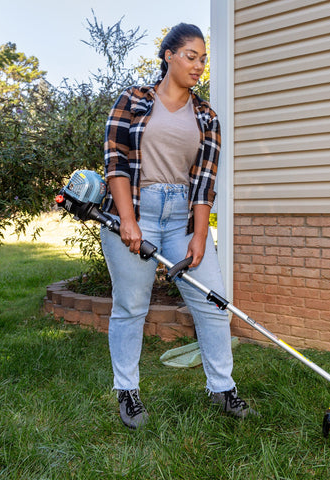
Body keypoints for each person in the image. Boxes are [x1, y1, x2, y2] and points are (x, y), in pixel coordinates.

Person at [100, 23, 257, 429]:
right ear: (168, 55)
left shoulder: (206, 116)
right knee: (131, 306)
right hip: (136, 210)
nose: (198, 65)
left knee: (214, 302)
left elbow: (205, 182)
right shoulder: (133, 100)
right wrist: (128, 221)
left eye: (203, 58)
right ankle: (127, 391)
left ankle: (222, 387)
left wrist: (201, 235)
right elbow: (115, 162)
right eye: (191, 56)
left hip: (183, 218)